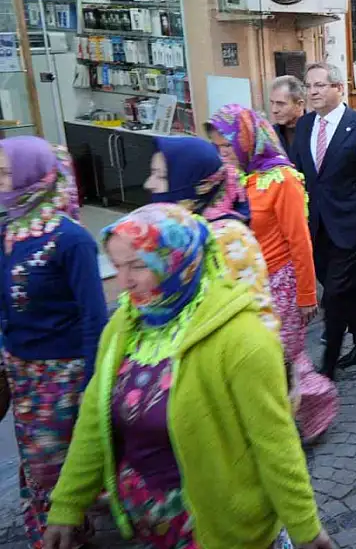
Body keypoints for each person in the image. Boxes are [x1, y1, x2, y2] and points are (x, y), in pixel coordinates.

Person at [43, 204, 331, 549]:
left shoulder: (243, 339)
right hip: (146, 523)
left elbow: (275, 443)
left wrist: (305, 528)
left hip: (220, 531)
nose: (124, 281)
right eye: (117, 266)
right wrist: (67, 504)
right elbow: (94, 417)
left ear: (177, 261)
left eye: (138, 265)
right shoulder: (125, 325)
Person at [0, 138, 107, 548]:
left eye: (7, 173)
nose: (2, 182)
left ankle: (64, 530)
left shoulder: (71, 239)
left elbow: (95, 317)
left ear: (33, 176)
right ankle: (65, 528)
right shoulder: (10, 231)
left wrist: (94, 382)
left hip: (63, 377)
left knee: (58, 464)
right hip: (22, 373)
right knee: (37, 460)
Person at [208, 104, 338, 442]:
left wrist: (307, 295)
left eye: (228, 145)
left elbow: (300, 242)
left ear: (248, 140)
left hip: (280, 282)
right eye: (218, 147)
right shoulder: (232, 178)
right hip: (244, 284)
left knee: (281, 355)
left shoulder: (282, 180)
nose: (224, 154)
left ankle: (311, 404)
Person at [290, 62, 356, 379]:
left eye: (320, 85)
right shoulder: (304, 126)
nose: (313, 91)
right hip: (314, 226)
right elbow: (298, 175)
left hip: (349, 226)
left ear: (338, 88)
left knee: (333, 293)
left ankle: (328, 364)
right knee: (344, 287)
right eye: (309, 86)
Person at [146, 135, 277, 335]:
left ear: (193, 183)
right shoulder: (177, 229)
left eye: (161, 176)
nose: (149, 184)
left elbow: (256, 321)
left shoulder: (226, 237)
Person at [270, 75, 307, 155]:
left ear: (299, 105)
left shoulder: (317, 131)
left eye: (281, 104)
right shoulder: (270, 134)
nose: (274, 110)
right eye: (272, 103)